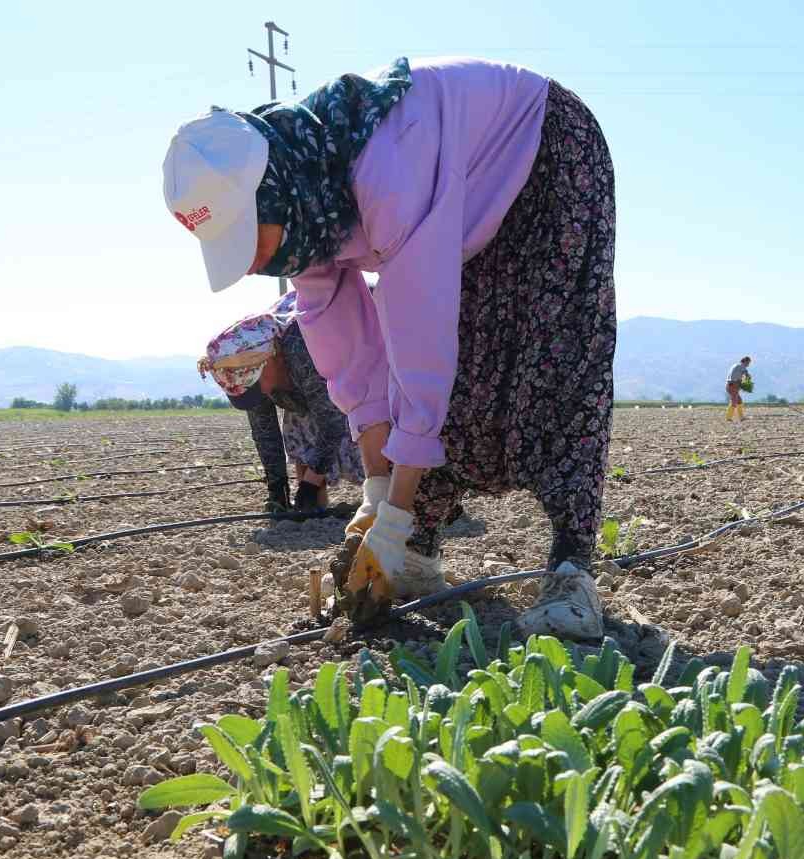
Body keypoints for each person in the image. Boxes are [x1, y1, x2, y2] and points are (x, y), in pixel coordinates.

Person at [163, 56, 615, 640]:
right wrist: (375, 497)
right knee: (466, 366)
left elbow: (418, 345)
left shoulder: (385, 168)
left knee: (554, 355)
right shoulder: (305, 203)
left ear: (270, 195)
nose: (249, 263)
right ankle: (416, 550)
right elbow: (349, 358)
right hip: (461, 190)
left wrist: (394, 515)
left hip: (544, 151)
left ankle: (572, 571)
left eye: (245, 237)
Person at [202, 294, 364, 517]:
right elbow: (265, 432)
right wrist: (277, 489)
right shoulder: (248, 372)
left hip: (370, 366)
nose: (264, 394)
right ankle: (313, 507)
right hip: (309, 389)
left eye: (258, 386)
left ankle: (393, 487)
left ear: (269, 359)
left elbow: (333, 420)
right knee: (296, 424)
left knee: (363, 423)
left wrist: (310, 484)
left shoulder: (302, 346)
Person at [725, 357, 753, 421]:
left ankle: (741, 417)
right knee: (734, 401)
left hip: (730, 385)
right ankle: (728, 417)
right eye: (748, 363)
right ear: (745, 361)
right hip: (732, 385)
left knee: (739, 401)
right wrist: (748, 380)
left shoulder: (736, 365)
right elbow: (747, 375)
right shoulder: (741, 366)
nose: (748, 365)